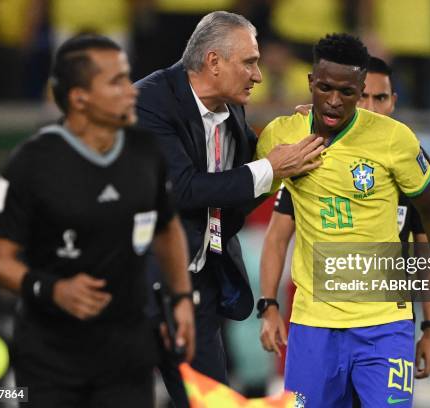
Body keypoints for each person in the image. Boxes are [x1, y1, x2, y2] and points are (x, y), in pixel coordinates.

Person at [0, 34, 194, 408]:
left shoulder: (145, 152)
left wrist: (180, 298)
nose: (131, 91)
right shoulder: (31, 164)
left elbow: (167, 228)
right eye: (115, 82)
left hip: (127, 354)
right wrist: (53, 290)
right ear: (80, 98)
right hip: (51, 357)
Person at [255, 34, 430, 407]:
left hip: (385, 323)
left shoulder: (395, 141)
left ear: (361, 89)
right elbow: (259, 218)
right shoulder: (281, 136)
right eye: (325, 88)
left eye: (347, 92)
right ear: (310, 83)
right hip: (313, 325)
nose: (334, 101)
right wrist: (268, 304)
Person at [134, 11, 323, 405]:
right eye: (250, 63)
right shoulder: (148, 103)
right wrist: (273, 167)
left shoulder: (230, 106)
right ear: (214, 62)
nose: (258, 75)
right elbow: (180, 190)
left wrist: (287, 145)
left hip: (196, 289)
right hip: (137, 290)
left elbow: (237, 185)